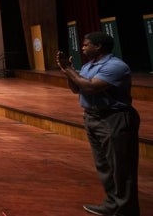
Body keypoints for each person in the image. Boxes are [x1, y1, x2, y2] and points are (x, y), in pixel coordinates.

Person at [56, 31, 140, 216]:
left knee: (121, 167)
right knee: (104, 165)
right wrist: (67, 72)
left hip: (114, 118)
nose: (83, 47)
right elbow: (76, 89)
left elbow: (90, 87)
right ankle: (112, 204)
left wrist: (69, 69)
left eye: (86, 45)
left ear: (99, 46)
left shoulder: (116, 66)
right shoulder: (87, 66)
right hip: (92, 117)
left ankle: (126, 210)